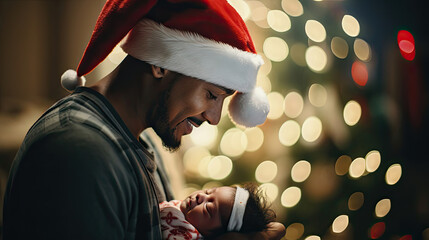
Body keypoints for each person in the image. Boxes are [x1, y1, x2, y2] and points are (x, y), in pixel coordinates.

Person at [2, 0, 285, 239]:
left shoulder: (143, 139)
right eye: (212, 94)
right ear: (160, 63)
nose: (214, 118)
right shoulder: (81, 153)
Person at [160, 183, 275, 240]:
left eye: (208, 209)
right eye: (208, 192)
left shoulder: (189, 235)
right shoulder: (180, 208)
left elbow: (277, 229)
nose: (200, 196)